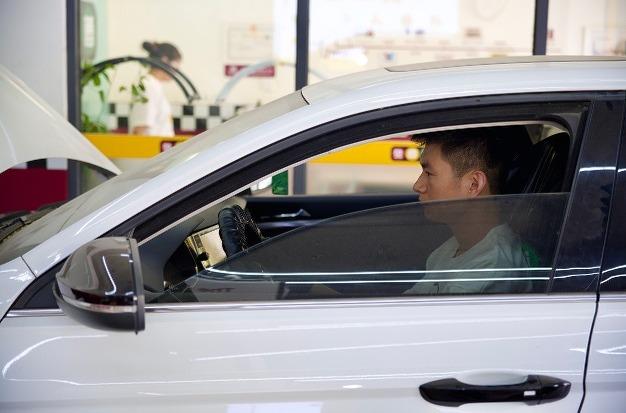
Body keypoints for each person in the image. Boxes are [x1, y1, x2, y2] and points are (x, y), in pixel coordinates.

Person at [405, 126, 532, 295]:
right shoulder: (452, 249)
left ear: (473, 184)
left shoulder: (489, 270)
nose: (418, 186)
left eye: (429, 173)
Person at [129, 41, 182, 136]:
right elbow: (140, 129)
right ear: (165, 61)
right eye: (177, 66)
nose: (177, 72)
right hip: (151, 145)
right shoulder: (148, 86)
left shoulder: (155, 85)